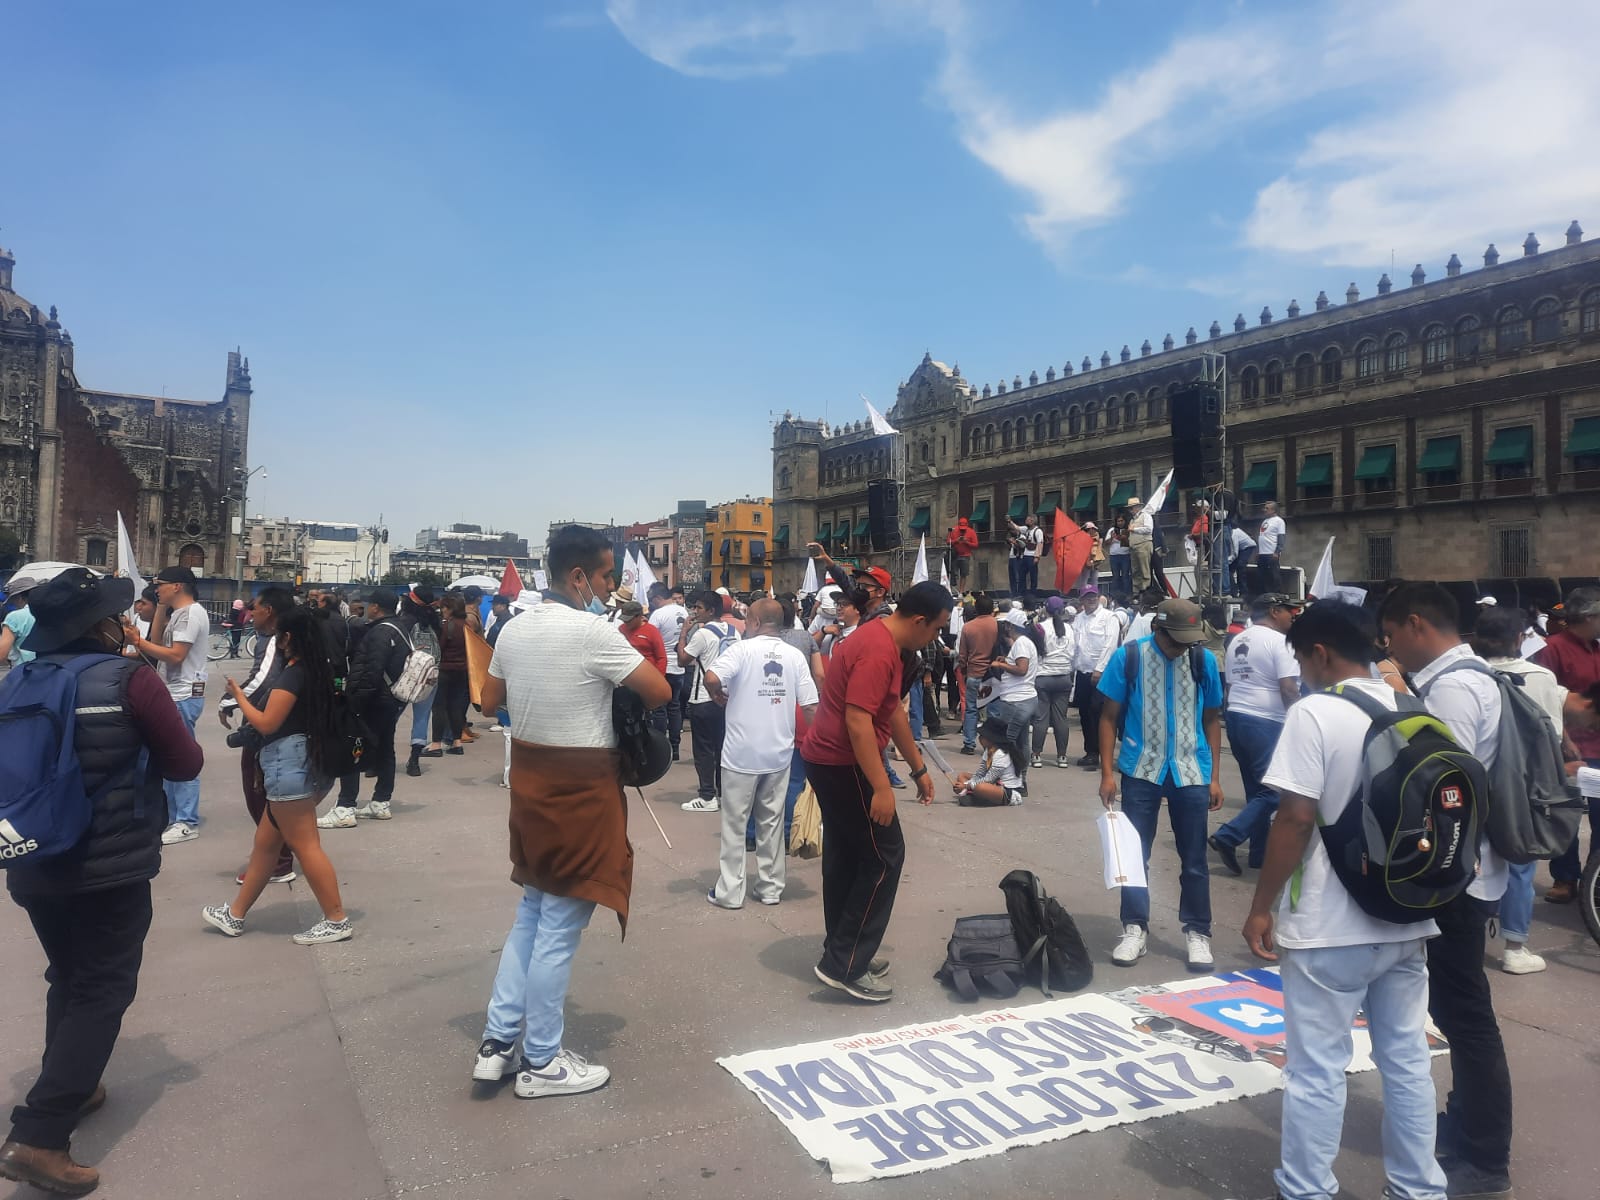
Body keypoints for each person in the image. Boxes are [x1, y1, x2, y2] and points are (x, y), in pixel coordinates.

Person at [0, 569, 203, 1196]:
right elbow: (185, 761)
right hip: (107, 863)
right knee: (103, 986)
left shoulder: (20, 679)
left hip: (34, 859)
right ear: (102, 626)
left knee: (69, 974)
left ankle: (77, 1082)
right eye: (118, 615)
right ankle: (40, 1133)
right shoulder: (129, 678)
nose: (126, 621)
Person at [1240, 601, 1448, 1200]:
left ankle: (1307, 1189)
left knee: (1316, 1071)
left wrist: (1261, 906)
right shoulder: (1412, 706)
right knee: (1407, 1062)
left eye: (1302, 659)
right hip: (1406, 917)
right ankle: (1418, 1188)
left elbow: (1295, 818)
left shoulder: (1316, 712)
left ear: (1319, 654)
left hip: (1330, 927)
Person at [472, 525, 669, 1098]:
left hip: (530, 782)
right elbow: (657, 691)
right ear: (578, 575)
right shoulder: (593, 633)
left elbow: (489, 702)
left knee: (532, 913)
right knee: (558, 927)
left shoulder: (512, 628)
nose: (610, 589)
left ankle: (498, 1041)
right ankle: (542, 1061)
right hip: (582, 787)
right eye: (606, 577)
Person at [1379, 583, 1513, 1199]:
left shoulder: (1455, 686)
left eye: (1392, 636)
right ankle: (1463, 1126)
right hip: (1470, 870)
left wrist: (1401, 698)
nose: (1390, 648)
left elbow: (1443, 776)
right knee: (1458, 1011)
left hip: (1462, 875)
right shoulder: (1468, 676)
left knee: (1467, 1014)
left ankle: (1484, 1155)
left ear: (1414, 625)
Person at [800, 581, 949, 1002]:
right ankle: (845, 963)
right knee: (885, 856)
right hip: (841, 762)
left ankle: (843, 950)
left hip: (831, 759)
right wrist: (882, 788)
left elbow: (891, 714)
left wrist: (919, 768)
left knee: (849, 857)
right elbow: (858, 722)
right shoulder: (879, 649)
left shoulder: (882, 637)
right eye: (936, 629)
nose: (936, 637)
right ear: (919, 621)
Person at [204, 608, 353, 946]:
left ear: (288, 639)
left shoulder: (294, 675)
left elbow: (267, 722)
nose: (275, 641)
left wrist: (238, 695)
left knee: (305, 846)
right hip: (302, 765)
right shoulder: (317, 670)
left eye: (278, 636)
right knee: (265, 846)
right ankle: (235, 914)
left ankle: (336, 919)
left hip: (290, 767)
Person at [1097, 598, 1224, 971]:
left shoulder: (1204, 662)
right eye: (1176, 640)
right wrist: (1107, 773)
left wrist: (1214, 777)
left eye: (1189, 640)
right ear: (1157, 630)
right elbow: (1108, 717)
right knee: (1136, 857)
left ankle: (1197, 932)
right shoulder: (1129, 657)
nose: (1182, 648)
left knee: (1195, 859)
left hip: (1191, 771)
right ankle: (1135, 927)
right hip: (1142, 769)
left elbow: (1212, 719)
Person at [705, 599, 819, 909]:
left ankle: (730, 892)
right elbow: (811, 705)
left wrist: (717, 694)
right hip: (778, 753)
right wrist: (819, 746)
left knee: (734, 824)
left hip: (741, 754)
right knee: (771, 821)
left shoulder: (741, 650)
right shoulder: (795, 656)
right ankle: (770, 888)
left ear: (754, 622)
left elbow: (712, 676)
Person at [1471, 604, 1564, 975]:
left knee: (1472, 858)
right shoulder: (1540, 677)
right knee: (1521, 863)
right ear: (1520, 638)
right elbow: (1552, 735)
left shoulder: (1466, 674)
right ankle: (1514, 946)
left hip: (1475, 780)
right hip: (1523, 784)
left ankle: (1467, 939)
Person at [1209, 593, 1302, 875]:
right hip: (1265, 720)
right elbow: (1288, 688)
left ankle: (1259, 855)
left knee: (1257, 790)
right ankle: (1228, 836)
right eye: (1289, 611)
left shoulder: (1241, 638)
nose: (1293, 616)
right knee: (1277, 791)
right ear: (1275, 612)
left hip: (1238, 716)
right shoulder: (1279, 642)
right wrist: (1301, 722)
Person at [217, 586, 299, 885]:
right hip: (285, 725)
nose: (250, 615)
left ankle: (278, 860)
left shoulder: (274, 639)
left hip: (269, 727)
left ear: (270, 612)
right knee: (273, 795)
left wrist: (229, 700)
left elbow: (263, 680)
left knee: (260, 794)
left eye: (255, 608)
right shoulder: (291, 635)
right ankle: (278, 854)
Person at [123, 565, 209, 845]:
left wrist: (139, 644)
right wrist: (159, 612)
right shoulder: (178, 614)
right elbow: (157, 643)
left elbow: (175, 656)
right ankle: (175, 816)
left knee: (181, 756)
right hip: (174, 693)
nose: (155, 588)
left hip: (184, 694)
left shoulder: (191, 613)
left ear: (178, 586)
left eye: (160, 584)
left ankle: (186, 819)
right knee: (168, 756)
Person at [319, 590, 409, 828]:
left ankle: (345, 807)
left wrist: (356, 701)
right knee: (385, 749)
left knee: (352, 748)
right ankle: (380, 802)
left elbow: (373, 670)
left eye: (370, 605)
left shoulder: (380, 632)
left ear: (376, 607)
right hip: (390, 700)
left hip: (373, 701)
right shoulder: (399, 629)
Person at [1533, 585, 1600, 904]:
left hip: (1599, 744)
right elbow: (1548, 699)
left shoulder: (1598, 648)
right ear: (1588, 617)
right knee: (1567, 815)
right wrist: (1565, 739)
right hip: (1572, 746)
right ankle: (1565, 877)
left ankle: (1593, 879)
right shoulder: (1553, 648)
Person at [679, 590, 736, 813]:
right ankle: (723, 792)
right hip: (727, 698)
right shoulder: (734, 632)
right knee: (723, 748)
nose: (695, 612)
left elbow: (684, 659)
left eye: (699, 608)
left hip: (703, 697)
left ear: (711, 610)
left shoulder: (702, 635)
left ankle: (706, 796)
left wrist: (684, 633)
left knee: (703, 750)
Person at [984, 611, 1038, 792]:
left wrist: (1001, 665)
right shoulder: (1024, 643)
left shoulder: (1021, 643)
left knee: (1006, 741)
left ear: (1010, 626)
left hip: (1016, 700)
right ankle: (1020, 780)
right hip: (1024, 698)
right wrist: (1006, 660)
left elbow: (1022, 669)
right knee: (1021, 742)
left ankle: (1008, 780)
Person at [1071, 587, 1121, 769]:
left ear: (1099, 597)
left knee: (1100, 712)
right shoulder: (1078, 619)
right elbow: (1075, 645)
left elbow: (1110, 645)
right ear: (1082, 600)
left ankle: (1105, 752)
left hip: (1102, 673)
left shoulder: (1109, 618)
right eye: (1087, 597)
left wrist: (1099, 669)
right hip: (1083, 672)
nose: (1091, 600)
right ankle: (1091, 752)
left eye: (1093, 596)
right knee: (1085, 713)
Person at [1030, 596, 1076, 768]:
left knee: (1041, 718)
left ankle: (1036, 755)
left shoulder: (1040, 628)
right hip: (1064, 676)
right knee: (1061, 719)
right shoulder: (1070, 629)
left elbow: (1035, 652)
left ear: (1045, 609)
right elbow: (1074, 651)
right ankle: (1062, 757)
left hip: (1043, 676)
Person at [401, 588, 443, 777]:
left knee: (391, 717)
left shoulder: (405, 621)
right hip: (429, 675)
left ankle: (378, 761)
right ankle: (414, 760)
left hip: (405, 676)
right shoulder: (436, 622)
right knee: (422, 718)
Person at [647, 583, 690, 761]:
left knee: (659, 709)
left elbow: (649, 637)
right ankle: (675, 746)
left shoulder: (658, 615)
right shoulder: (683, 612)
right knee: (674, 707)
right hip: (679, 667)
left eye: (651, 600)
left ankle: (660, 749)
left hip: (661, 667)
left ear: (657, 598)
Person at [429, 592, 472, 753]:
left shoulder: (448, 626)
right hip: (462, 671)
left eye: (444, 608)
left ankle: (436, 744)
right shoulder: (467, 625)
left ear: (450, 609)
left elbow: (440, 648)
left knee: (439, 707)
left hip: (446, 670)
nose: (442, 611)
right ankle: (457, 742)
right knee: (455, 706)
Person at [953, 715, 1027, 807]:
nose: (979, 739)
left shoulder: (1001, 754)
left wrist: (966, 786)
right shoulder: (989, 750)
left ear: (991, 738)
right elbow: (980, 773)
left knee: (980, 787)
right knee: (962, 775)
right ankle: (976, 796)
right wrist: (966, 783)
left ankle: (977, 796)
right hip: (992, 784)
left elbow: (989, 779)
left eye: (982, 736)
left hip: (1008, 791)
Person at [956, 595, 998, 754]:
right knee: (993, 711)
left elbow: (962, 655)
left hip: (974, 673)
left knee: (971, 709)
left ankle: (969, 744)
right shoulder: (997, 626)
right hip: (993, 674)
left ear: (976, 609)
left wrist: (964, 671)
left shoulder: (968, 627)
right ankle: (994, 744)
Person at [617, 601, 666, 675]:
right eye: (624, 620)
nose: (626, 622)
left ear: (639, 616)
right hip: (627, 674)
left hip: (648, 674)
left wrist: (659, 677)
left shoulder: (652, 631)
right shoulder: (621, 629)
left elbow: (661, 657)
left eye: (629, 620)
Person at [1006, 513, 1044, 600]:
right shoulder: (1026, 529)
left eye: (1027, 520)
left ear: (1032, 521)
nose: (1026, 521)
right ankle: (1021, 593)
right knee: (1021, 574)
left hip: (1032, 555)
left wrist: (1037, 556)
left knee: (1033, 576)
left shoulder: (1038, 531)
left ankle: (1033, 593)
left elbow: (1040, 543)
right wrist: (1010, 521)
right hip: (1025, 555)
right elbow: (1017, 528)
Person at [1256, 501, 1287, 594]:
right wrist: (1258, 551)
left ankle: (1277, 593)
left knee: (1274, 574)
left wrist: (1277, 551)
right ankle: (1264, 593)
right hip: (1262, 553)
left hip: (1271, 552)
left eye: (1267, 508)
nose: (1264, 510)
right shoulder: (1264, 521)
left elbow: (1281, 537)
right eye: (1264, 508)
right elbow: (1262, 536)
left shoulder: (1279, 521)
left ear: (1273, 510)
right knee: (1262, 575)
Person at [1126, 497, 1154, 594]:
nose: (1130, 510)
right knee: (1135, 571)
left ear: (1137, 507)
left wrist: (1134, 530)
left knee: (1144, 570)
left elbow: (1149, 529)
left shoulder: (1146, 516)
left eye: (1131, 508)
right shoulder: (1132, 520)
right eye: (1129, 508)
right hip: (1134, 547)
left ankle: (1145, 591)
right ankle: (1136, 592)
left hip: (1143, 544)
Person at [1226, 521, 1256, 597]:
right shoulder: (1230, 533)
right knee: (1229, 569)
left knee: (1240, 567)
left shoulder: (1234, 534)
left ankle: (1244, 592)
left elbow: (1235, 553)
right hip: (1241, 548)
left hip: (1248, 547)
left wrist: (1227, 561)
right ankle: (1233, 591)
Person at [946, 517, 978, 586]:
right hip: (955, 555)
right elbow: (948, 542)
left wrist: (967, 542)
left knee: (963, 574)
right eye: (961, 529)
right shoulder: (953, 530)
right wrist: (956, 541)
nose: (962, 531)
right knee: (952, 571)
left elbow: (976, 544)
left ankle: (961, 592)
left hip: (965, 555)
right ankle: (952, 588)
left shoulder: (971, 532)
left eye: (963, 529)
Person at [1106, 515, 1132, 596]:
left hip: (1125, 555)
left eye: (1122, 521)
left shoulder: (1128, 529)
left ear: (1125, 521)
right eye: (1118, 521)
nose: (1120, 523)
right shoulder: (1112, 530)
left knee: (1125, 576)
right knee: (1115, 577)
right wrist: (1112, 538)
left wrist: (1123, 538)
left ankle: (1127, 595)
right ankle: (1115, 595)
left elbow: (1130, 544)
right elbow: (1106, 543)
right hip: (1114, 556)